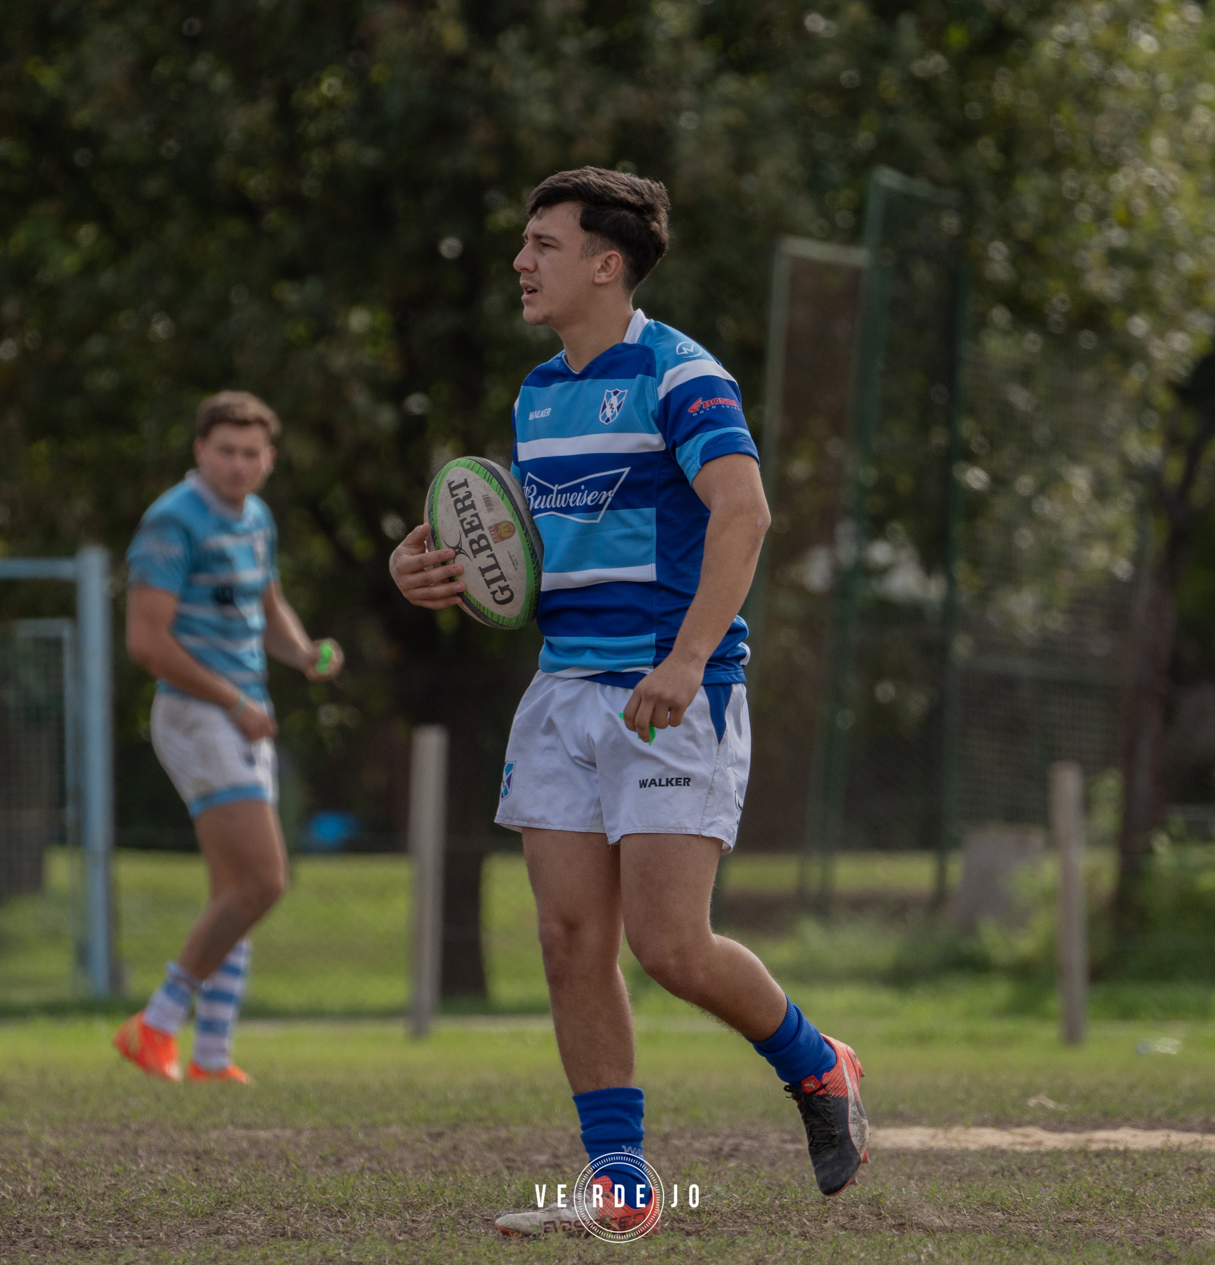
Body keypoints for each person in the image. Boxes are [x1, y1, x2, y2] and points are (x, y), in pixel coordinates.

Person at [389, 168, 867, 1234]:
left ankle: (819, 1064)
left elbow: (743, 513)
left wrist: (689, 658)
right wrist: (431, 573)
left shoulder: (682, 376)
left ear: (607, 263)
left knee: (670, 944)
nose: (522, 261)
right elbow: (526, 563)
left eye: (543, 244)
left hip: (666, 694)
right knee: (568, 938)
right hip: (562, 689)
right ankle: (621, 1183)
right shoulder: (537, 393)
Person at [114, 390, 342, 1084]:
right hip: (196, 711)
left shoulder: (256, 518)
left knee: (232, 889)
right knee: (265, 880)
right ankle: (155, 1021)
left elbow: (267, 604)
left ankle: (210, 1054)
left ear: (268, 460)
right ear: (199, 451)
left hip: (241, 711)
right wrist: (235, 699)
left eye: (251, 453)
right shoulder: (172, 521)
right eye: (226, 450)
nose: (239, 464)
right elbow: (146, 642)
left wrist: (303, 654)